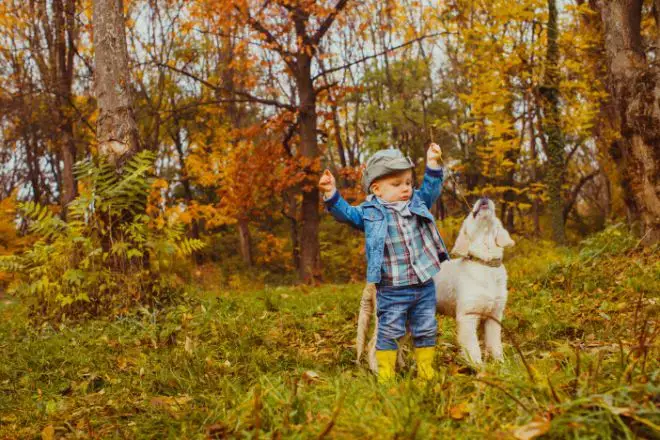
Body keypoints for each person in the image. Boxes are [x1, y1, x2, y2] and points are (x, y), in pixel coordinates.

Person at [318, 144, 449, 382]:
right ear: (377, 189)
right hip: (391, 288)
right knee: (389, 331)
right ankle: (386, 376)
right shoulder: (370, 213)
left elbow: (431, 189)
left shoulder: (417, 203)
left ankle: (426, 372)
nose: (406, 189)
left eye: (408, 182)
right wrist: (331, 193)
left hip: (423, 285)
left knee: (426, 328)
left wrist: (432, 164)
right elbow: (345, 213)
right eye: (397, 184)